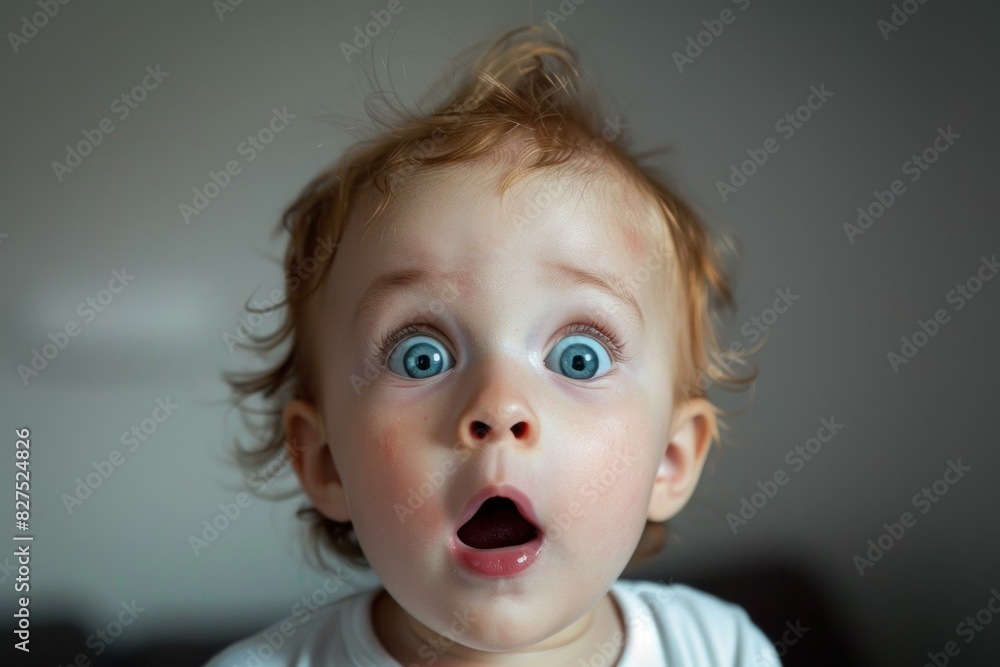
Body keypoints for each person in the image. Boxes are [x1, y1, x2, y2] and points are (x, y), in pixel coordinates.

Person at [207, 23, 778, 667]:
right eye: (420, 357)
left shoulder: (720, 649)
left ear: (670, 459)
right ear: (325, 462)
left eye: (579, 358)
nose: (500, 407)